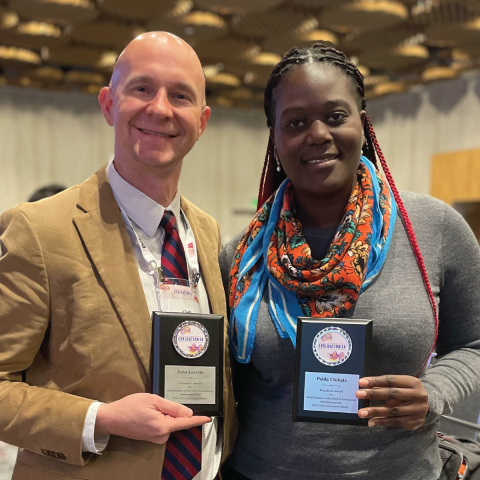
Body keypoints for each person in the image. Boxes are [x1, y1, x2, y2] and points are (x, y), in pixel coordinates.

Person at [219, 43, 480, 480]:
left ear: (363, 122)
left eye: (335, 116)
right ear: (275, 136)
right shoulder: (243, 254)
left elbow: (475, 343)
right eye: (296, 122)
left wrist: (434, 393)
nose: (317, 133)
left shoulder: (433, 228)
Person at [0, 32, 236, 480]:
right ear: (109, 104)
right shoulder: (39, 230)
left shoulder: (206, 233)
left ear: (202, 121)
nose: (161, 109)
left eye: (180, 95)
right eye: (142, 88)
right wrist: (99, 419)